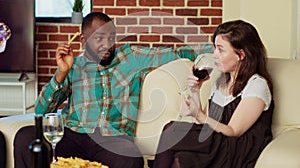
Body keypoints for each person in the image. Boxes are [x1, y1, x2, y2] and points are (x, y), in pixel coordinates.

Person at [13, 12, 213, 168]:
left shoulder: (131, 56)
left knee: (130, 159)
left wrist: (215, 52)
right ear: (83, 40)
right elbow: (40, 111)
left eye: (111, 38)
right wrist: (61, 73)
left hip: (113, 139)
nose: (107, 45)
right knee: (25, 137)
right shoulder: (73, 65)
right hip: (73, 134)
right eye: (99, 38)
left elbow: (176, 52)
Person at [152, 20, 274, 168]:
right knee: (182, 159)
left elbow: (233, 131)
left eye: (220, 50)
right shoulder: (220, 82)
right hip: (216, 142)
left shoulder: (257, 85)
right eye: (215, 48)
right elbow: (205, 125)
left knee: (172, 130)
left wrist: (198, 114)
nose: (214, 55)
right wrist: (196, 91)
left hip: (237, 148)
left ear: (241, 55)